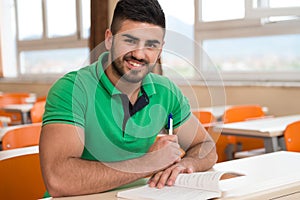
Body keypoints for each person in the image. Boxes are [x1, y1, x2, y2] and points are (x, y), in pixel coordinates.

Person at [39, 0, 217, 197]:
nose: (139, 54)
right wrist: (148, 163)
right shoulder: (72, 89)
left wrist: (187, 164)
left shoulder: (166, 91)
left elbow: (206, 147)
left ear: (160, 49)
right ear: (109, 39)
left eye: (151, 45)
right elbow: (58, 179)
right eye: (129, 41)